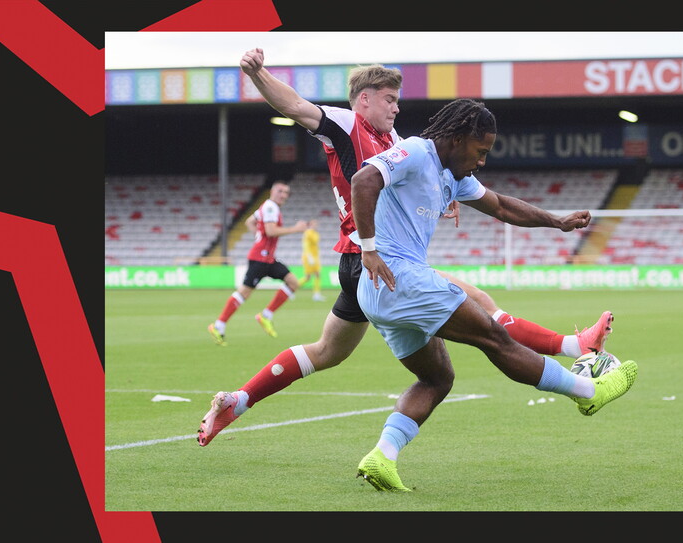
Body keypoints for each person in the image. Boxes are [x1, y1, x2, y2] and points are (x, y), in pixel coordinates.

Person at [197, 48, 612, 446]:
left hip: (359, 262)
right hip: (372, 257)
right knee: (479, 304)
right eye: (389, 100)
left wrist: (439, 195)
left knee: (326, 352)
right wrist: (257, 74)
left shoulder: (393, 137)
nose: (396, 108)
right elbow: (295, 106)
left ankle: (239, 400)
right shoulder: (346, 124)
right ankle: (573, 349)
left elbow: (429, 183)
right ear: (364, 100)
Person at [351, 98, 638, 491]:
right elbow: (363, 180)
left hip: (378, 293)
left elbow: (502, 206)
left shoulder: (452, 174)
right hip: (400, 276)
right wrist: (368, 248)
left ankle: (382, 456)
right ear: (456, 139)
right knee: (495, 338)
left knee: (437, 378)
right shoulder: (417, 152)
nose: (482, 161)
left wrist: (556, 221)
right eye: (480, 151)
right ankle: (589, 391)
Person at [206, 181, 308, 345]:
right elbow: (271, 231)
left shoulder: (266, 207)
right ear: (273, 191)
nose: (283, 195)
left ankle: (265, 315)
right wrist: (296, 229)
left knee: (293, 282)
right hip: (260, 259)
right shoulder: (270, 207)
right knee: (244, 293)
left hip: (267, 258)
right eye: (280, 191)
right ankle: (218, 325)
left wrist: (258, 236)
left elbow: (249, 222)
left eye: (286, 193)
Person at [300, 219, 325, 301]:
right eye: (314, 224)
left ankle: (316, 294)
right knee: (308, 277)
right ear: (310, 224)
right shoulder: (308, 233)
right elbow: (306, 246)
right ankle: (291, 288)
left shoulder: (315, 233)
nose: (316, 226)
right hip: (309, 257)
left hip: (315, 257)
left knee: (317, 275)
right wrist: (309, 256)